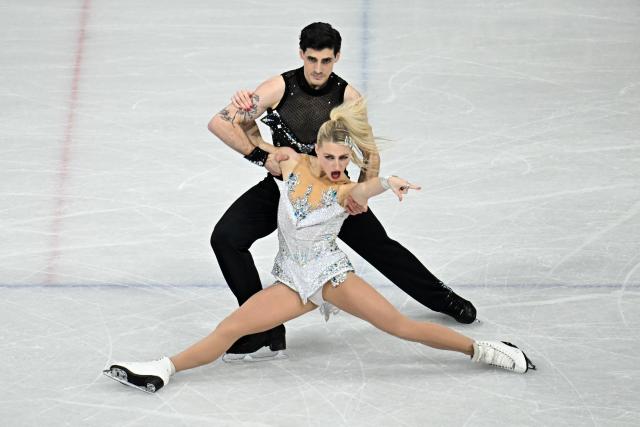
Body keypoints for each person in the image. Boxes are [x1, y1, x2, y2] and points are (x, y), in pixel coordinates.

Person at [103, 99, 535, 393]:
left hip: (329, 276)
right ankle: (162, 369)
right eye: (330, 158)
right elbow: (239, 130)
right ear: (315, 153)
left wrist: (387, 182)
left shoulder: (347, 191)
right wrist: (241, 106)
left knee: (401, 328)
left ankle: (487, 351)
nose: (336, 166)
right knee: (233, 327)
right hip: (292, 279)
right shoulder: (290, 163)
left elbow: (367, 192)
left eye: (343, 160)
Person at [207, 22, 477, 362]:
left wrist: (360, 194)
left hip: (330, 196)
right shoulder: (278, 87)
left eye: (326, 61)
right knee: (226, 238)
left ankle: (444, 299)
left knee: (381, 248)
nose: (318, 68)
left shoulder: (348, 97)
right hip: (281, 188)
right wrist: (263, 158)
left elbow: (370, 152)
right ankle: (262, 328)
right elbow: (220, 122)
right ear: (301, 54)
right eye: (312, 59)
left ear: (337, 58)